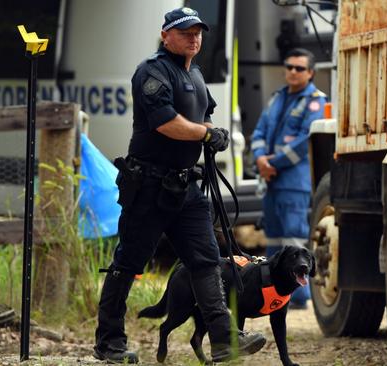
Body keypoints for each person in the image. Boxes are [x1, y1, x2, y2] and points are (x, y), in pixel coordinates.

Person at [94, 7, 266, 364]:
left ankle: (223, 338)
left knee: (205, 262)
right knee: (128, 263)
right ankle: (109, 342)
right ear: (165, 35)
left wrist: (211, 131)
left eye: (198, 31)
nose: (194, 37)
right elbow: (165, 123)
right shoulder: (152, 72)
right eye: (186, 31)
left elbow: (201, 114)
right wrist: (205, 132)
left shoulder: (198, 74)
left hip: (186, 189)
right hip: (149, 188)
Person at [250, 48, 326, 309]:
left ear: (311, 73)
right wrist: (260, 158)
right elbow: (259, 131)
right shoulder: (277, 98)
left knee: (294, 241)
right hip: (271, 181)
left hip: (294, 183)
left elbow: (306, 141)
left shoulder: (316, 101)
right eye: (290, 66)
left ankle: (298, 297)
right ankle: (269, 292)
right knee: (273, 239)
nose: (293, 71)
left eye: (299, 68)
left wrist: (272, 163)